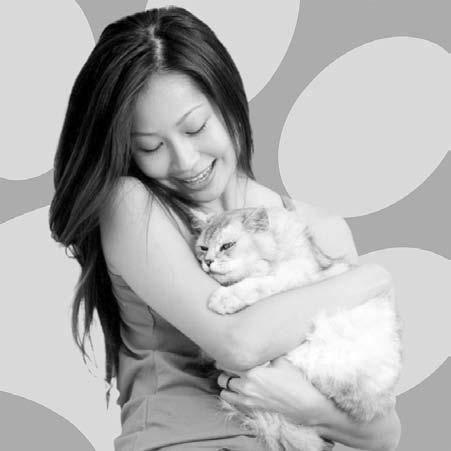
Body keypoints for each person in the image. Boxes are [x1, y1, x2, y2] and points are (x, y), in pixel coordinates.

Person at [49, 6, 401, 451]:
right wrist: (368, 280)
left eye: (196, 127)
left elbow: (384, 433)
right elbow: (237, 344)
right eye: (151, 147)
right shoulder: (132, 205)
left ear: (228, 102)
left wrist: (309, 408)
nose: (185, 161)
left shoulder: (319, 228)